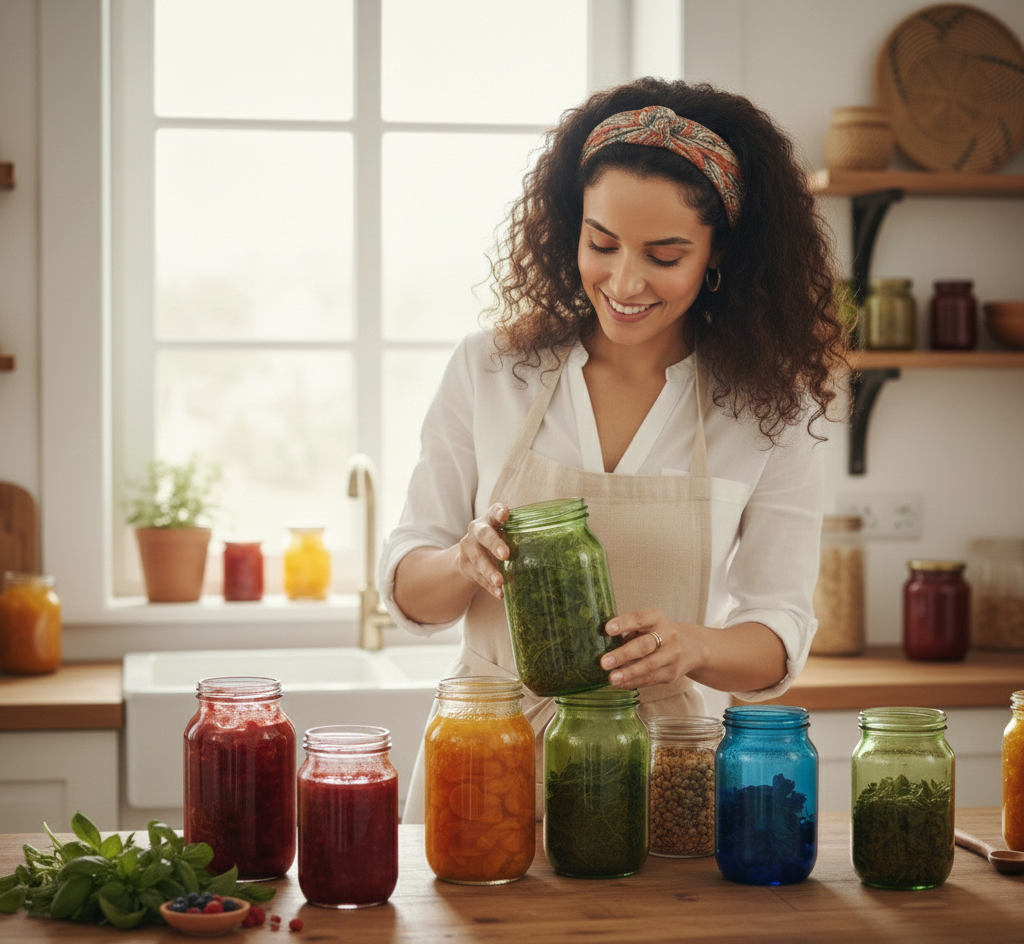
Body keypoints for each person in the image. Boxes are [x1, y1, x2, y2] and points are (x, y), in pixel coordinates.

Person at [378, 77, 848, 823]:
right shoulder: (491, 370)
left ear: (718, 253)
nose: (624, 282)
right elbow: (408, 590)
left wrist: (692, 647)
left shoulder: (768, 407)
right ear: (573, 229)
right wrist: (462, 561)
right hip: (486, 751)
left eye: (664, 255)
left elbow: (778, 632)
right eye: (603, 244)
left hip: (664, 766)